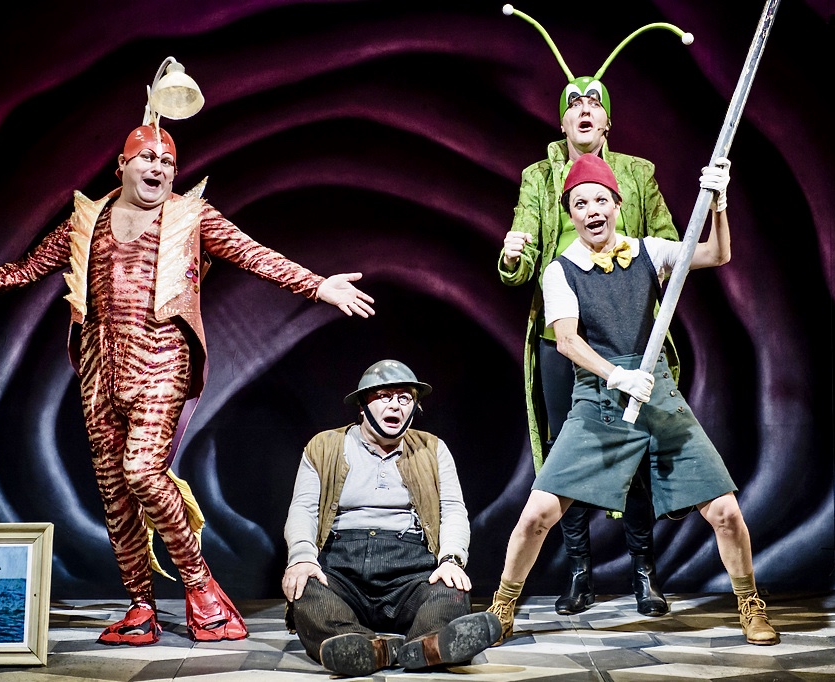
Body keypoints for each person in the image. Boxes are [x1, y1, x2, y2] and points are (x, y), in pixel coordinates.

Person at [0, 120, 376, 646]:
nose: (159, 168)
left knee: (143, 471)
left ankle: (199, 585)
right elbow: (26, 269)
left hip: (160, 357)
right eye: (148, 158)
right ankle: (140, 606)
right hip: (98, 366)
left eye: (168, 162)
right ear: (122, 166)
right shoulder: (88, 221)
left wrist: (317, 285)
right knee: (114, 492)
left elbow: (254, 254)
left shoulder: (190, 216)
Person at [487, 152, 779, 647]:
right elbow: (567, 342)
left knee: (726, 512)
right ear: (571, 213)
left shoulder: (649, 251)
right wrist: (616, 375)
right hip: (599, 400)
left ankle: (750, 604)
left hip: (657, 396)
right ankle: (502, 607)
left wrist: (719, 204)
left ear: (617, 204)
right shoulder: (561, 271)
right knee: (537, 515)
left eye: (601, 200)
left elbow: (715, 254)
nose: (592, 210)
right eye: (581, 204)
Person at [500, 7, 693, 617]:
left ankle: (643, 574)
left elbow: (672, 249)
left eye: (594, 102)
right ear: (561, 119)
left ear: (608, 119)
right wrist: (513, 253)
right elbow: (520, 253)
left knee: (635, 449)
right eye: (573, 103)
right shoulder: (538, 178)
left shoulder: (637, 175)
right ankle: (580, 573)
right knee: (568, 456)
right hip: (563, 336)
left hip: (628, 335)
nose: (584, 109)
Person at [281, 359, 501, 677]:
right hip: (341, 569)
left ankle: (426, 645)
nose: (395, 405)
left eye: (404, 398)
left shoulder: (432, 448)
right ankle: (368, 647)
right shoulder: (324, 445)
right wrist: (301, 558)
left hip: (410, 571)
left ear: (414, 408)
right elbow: (303, 508)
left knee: (453, 591)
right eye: (384, 396)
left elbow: (453, 510)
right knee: (306, 591)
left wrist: (451, 559)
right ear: (362, 406)